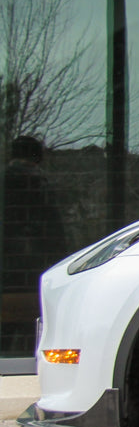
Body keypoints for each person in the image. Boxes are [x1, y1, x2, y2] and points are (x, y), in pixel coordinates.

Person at [2, 136, 66, 355]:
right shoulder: (37, 184)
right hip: (32, 270)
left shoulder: (5, 180)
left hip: (7, 271)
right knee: (33, 331)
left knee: (7, 331)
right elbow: (53, 228)